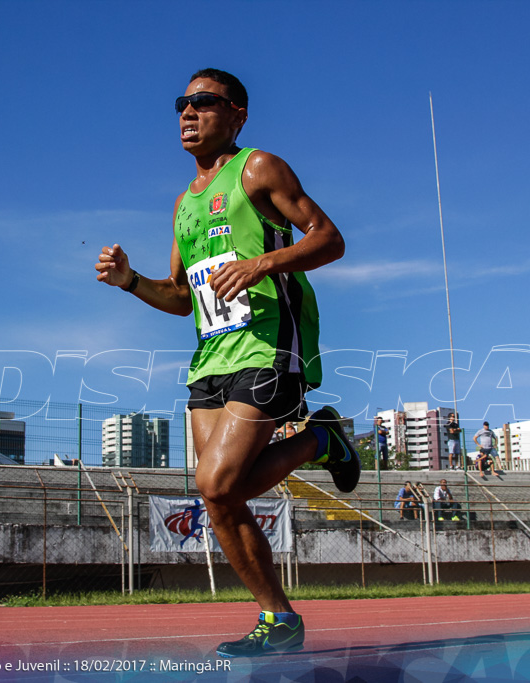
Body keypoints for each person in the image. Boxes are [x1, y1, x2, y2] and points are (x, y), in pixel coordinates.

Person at [95, 68, 358, 658]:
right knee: (218, 498)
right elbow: (182, 297)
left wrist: (262, 264)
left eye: (204, 103)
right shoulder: (183, 205)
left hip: (268, 341)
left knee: (216, 482)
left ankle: (320, 439)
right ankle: (279, 618)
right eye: (182, 104)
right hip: (210, 354)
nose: (189, 113)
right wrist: (131, 281)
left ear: (237, 113)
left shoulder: (259, 168)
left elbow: (330, 238)